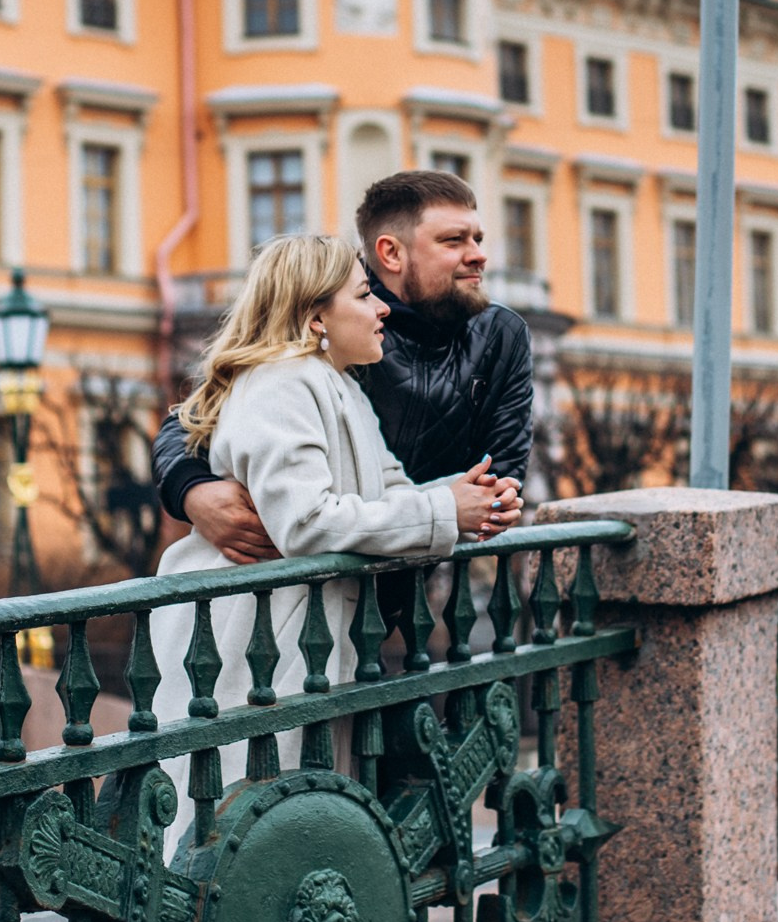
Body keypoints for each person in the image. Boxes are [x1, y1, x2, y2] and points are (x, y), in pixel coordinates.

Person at [148, 233, 516, 803]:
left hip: (302, 648)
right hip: (261, 650)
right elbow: (308, 523)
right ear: (316, 315)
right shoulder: (281, 382)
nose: (382, 309)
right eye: (364, 295)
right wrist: (446, 510)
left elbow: (388, 490)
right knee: (252, 825)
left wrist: (467, 497)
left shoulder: (337, 384)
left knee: (290, 823)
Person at [154, 169, 536, 561]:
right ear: (391, 253)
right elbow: (195, 421)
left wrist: (472, 500)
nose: (478, 254)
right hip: (310, 587)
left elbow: (483, 482)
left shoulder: (498, 336)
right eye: (453, 240)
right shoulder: (314, 352)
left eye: (478, 238)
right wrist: (192, 490)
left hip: (401, 575)